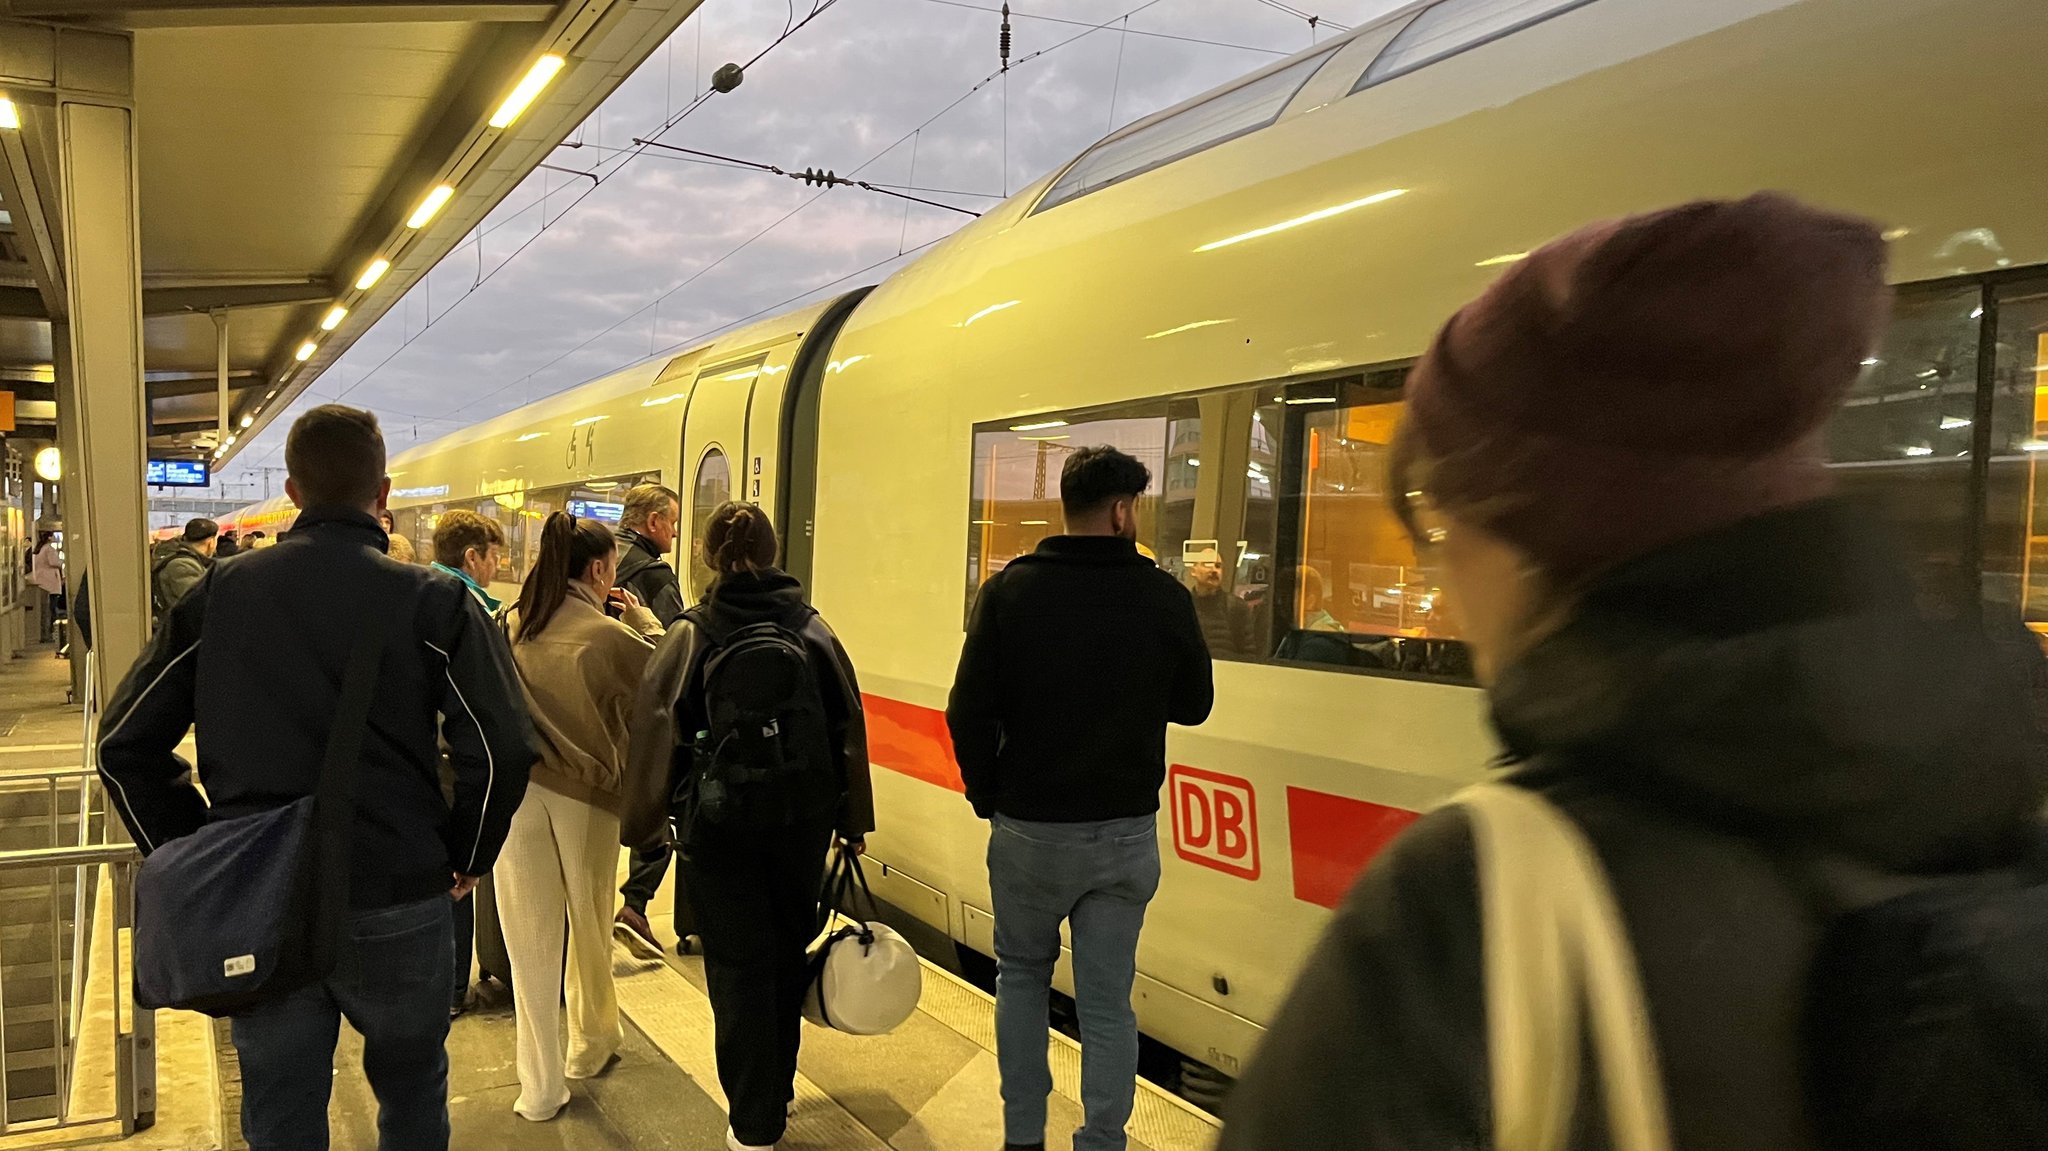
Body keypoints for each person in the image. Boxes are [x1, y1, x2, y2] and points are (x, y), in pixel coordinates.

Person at [1215, 195, 2048, 1150]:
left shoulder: (1479, 900)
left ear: (1531, 526)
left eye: (1439, 528)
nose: (1441, 583)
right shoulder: (1993, 805)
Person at [97, 404, 538, 1151]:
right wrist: (468, 854)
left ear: (294, 490)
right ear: (382, 492)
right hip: (401, 888)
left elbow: (121, 746)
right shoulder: (437, 602)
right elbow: (502, 748)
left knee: (281, 1106)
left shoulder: (218, 595)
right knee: (413, 1091)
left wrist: (196, 844)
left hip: (262, 893)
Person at [948, 446, 1214, 1151]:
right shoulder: (1164, 596)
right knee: (1106, 1003)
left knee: (1021, 977)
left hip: (1030, 830)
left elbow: (966, 709)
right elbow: (1195, 705)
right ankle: (1102, 1139)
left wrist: (987, 793)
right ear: (1123, 511)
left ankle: (1023, 1136)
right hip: (1125, 835)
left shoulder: (1010, 591)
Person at [623, 502, 873, 1151]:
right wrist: (853, 821)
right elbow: (848, 725)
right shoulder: (811, 627)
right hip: (799, 822)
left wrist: (644, 823)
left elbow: (655, 724)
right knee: (787, 954)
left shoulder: (691, 632)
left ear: (708, 556)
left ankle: (752, 1120)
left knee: (736, 968)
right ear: (774, 551)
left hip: (719, 828)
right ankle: (776, 1092)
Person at [497, 512, 665, 1122]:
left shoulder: (511, 622)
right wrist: (644, 620)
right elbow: (664, 682)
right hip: (586, 803)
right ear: (598, 570)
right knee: (589, 927)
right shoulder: (606, 636)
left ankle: (539, 1089)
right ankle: (590, 1046)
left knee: (529, 944)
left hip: (517, 799)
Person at [429, 508, 509, 1017]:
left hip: (428, 765)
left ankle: (448, 986)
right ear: (473, 557)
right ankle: (453, 988)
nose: (497, 568)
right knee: (456, 877)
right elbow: (491, 728)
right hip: (450, 769)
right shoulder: (464, 610)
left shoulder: (421, 595)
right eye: (495, 557)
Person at [611, 483, 691, 957]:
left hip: (601, 709)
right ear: (654, 521)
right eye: (673, 522)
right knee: (661, 803)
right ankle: (635, 905)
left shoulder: (599, 555)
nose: (675, 533)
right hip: (641, 713)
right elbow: (674, 648)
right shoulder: (655, 574)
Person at [1186, 546, 1254, 658]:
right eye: (1207, 564)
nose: (1214, 570)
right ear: (1193, 571)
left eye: (1218, 566)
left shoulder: (1236, 607)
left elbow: (1249, 654)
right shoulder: (1183, 608)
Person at [151, 518, 217, 618]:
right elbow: (199, 603)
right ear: (210, 542)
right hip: (178, 625)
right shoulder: (183, 565)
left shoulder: (186, 561)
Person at [30, 530, 63, 643]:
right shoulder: (49, 549)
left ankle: (45, 633)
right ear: (49, 537)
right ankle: (49, 633)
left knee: (45, 609)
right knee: (51, 609)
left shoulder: (38, 549)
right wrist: (62, 562)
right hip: (50, 581)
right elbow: (54, 562)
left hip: (41, 581)